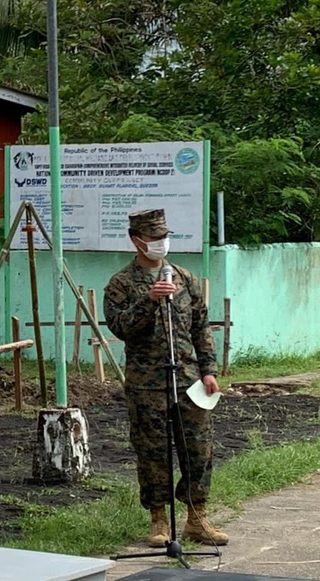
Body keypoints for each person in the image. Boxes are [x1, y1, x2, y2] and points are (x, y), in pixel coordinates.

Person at [103, 209, 228, 548]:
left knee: (199, 448)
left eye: (163, 237)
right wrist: (148, 301)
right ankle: (159, 519)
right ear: (136, 240)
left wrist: (209, 370)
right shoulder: (121, 283)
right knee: (153, 451)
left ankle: (197, 518)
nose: (161, 243)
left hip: (189, 380)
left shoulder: (184, 278)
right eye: (154, 238)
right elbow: (120, 327)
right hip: (147, 382)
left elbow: (201, 327)